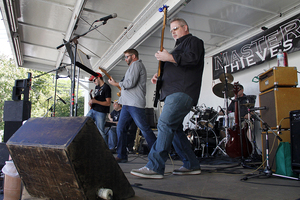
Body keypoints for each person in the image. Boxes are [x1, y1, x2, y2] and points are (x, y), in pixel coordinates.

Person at [130, 17, 205, 179]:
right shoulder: (177, 49)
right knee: (175, 129)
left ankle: (155, 166)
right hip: (175, 92)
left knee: (164, 124)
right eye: (171, 30)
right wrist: (160, 78)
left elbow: (192, 58)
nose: (173, 33)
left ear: (185, 27)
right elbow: (178, 70)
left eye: (176, 29)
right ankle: (191, 164)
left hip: (182, 92)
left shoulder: (193, 41)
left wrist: (169, 58)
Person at [108, 49, 157, 163]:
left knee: (144, 128)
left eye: (126, 57)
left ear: (133, 56)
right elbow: (128, 88)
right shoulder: (132, 67)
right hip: (127, 104)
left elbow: (130, 84)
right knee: (120, 128)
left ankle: (158, 154)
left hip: (134, 104)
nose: (125, 59)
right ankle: (121, 155)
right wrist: (120, 100)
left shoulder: (136, 65)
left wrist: (115, 84)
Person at [86, 73, 111, 145]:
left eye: (94, 80)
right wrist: (91, 101)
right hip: (93, 109)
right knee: (84, 124)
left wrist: (95, 101)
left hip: (101, 112)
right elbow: (97, 98)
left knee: (100, 131)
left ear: (99, 78)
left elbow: (108, 103)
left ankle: (105, 151)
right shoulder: (97, 87)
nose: (94, 82)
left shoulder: (106, 87)